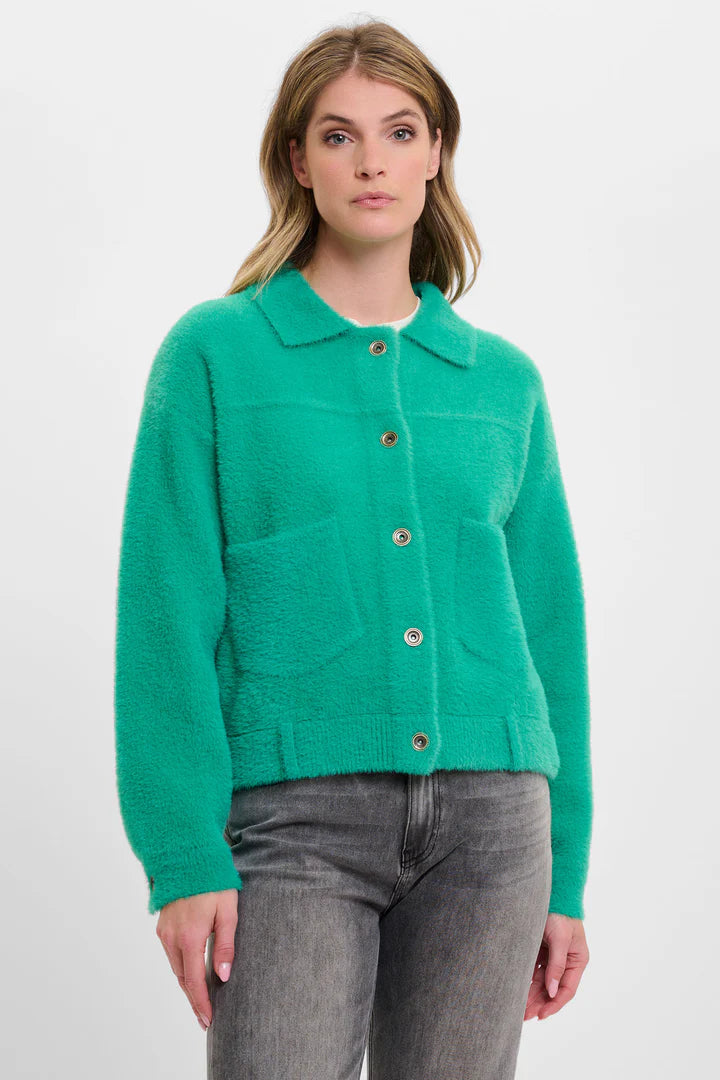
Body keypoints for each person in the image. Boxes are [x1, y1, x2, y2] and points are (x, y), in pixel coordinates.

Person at [114, 18, 593, 1079]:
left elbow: (550, 633)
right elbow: (164, 616)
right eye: (339, 135)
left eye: (400, 131)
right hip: (294, 825)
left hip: (494, 825)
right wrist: (181, 856)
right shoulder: (216, 353)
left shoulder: (502, 382)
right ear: (298, 160)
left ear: (436, 152)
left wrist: (566, 877)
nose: (372, 160)